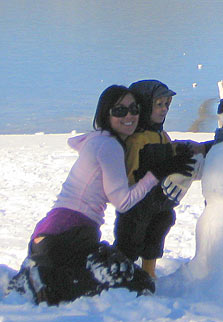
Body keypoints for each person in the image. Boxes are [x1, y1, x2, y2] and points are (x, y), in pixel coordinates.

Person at [7, 85, 195, 306]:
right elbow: (123, 202)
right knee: (133, 282)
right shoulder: (109, 146)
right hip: (69, 234)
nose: (129, 116)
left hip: (53, 234)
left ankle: (44, 271)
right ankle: (46, 280)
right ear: (105, 114)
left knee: (117, 272)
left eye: (134, 109)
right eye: (120, 111)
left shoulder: (99, 139)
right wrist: (158, 172)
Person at [114, 80, 204, 279]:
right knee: (132, 237)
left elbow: (171, 152)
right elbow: (129, 173)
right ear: (144, 106)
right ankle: (123, 271)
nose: (164, 110)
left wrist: (182, 151)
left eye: (166, 105)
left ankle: (149, 270)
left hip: (159, 199)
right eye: (159, 104)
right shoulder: (137, 139)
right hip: (138, 201)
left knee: (159, 228)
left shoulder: (161, 135)